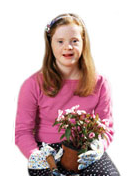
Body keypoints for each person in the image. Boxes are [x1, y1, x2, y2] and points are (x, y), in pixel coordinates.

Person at [15, 13, 120, 176]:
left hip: (85, 150)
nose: (68, 47)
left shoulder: (100, 83)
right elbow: (23, 131)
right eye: (60, 41)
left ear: (84, 43)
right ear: (50, 45)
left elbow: (105, 124)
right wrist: (34, 154)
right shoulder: (33, 84)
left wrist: (99, 145)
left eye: (74, 41)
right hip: (47, 150)